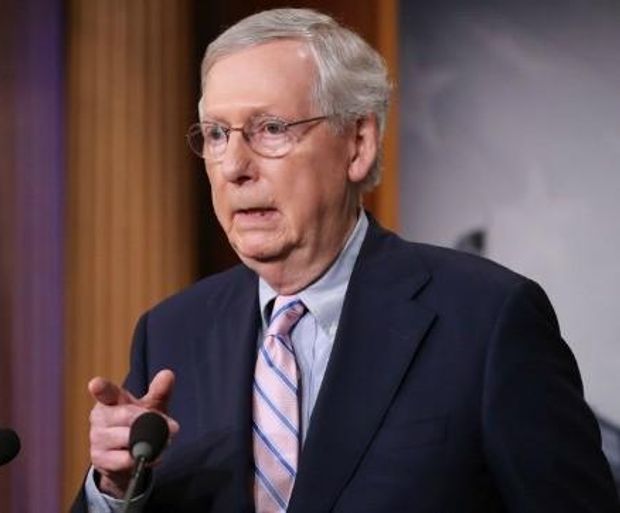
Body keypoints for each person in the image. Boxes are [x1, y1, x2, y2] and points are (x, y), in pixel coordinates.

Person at [71, 7, 620, 513]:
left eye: (270, 130)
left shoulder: (486, 319)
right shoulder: (172, 332)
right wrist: (116, 490)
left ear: (358, 144)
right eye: (217, 134)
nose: (234, 166)